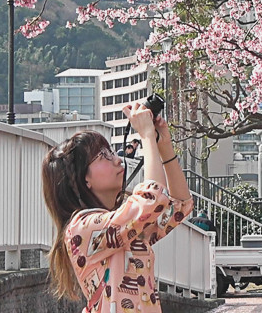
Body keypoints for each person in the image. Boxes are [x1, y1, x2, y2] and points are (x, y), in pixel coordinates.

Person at [42, 103, 192, 313]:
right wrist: (147, 136)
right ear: (83, 178)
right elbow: (151, 200)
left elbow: (179, 206)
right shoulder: (83, 228)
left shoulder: (121, 225)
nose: (117, 160)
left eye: (111, 152)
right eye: (103, 156)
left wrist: (163, 146)